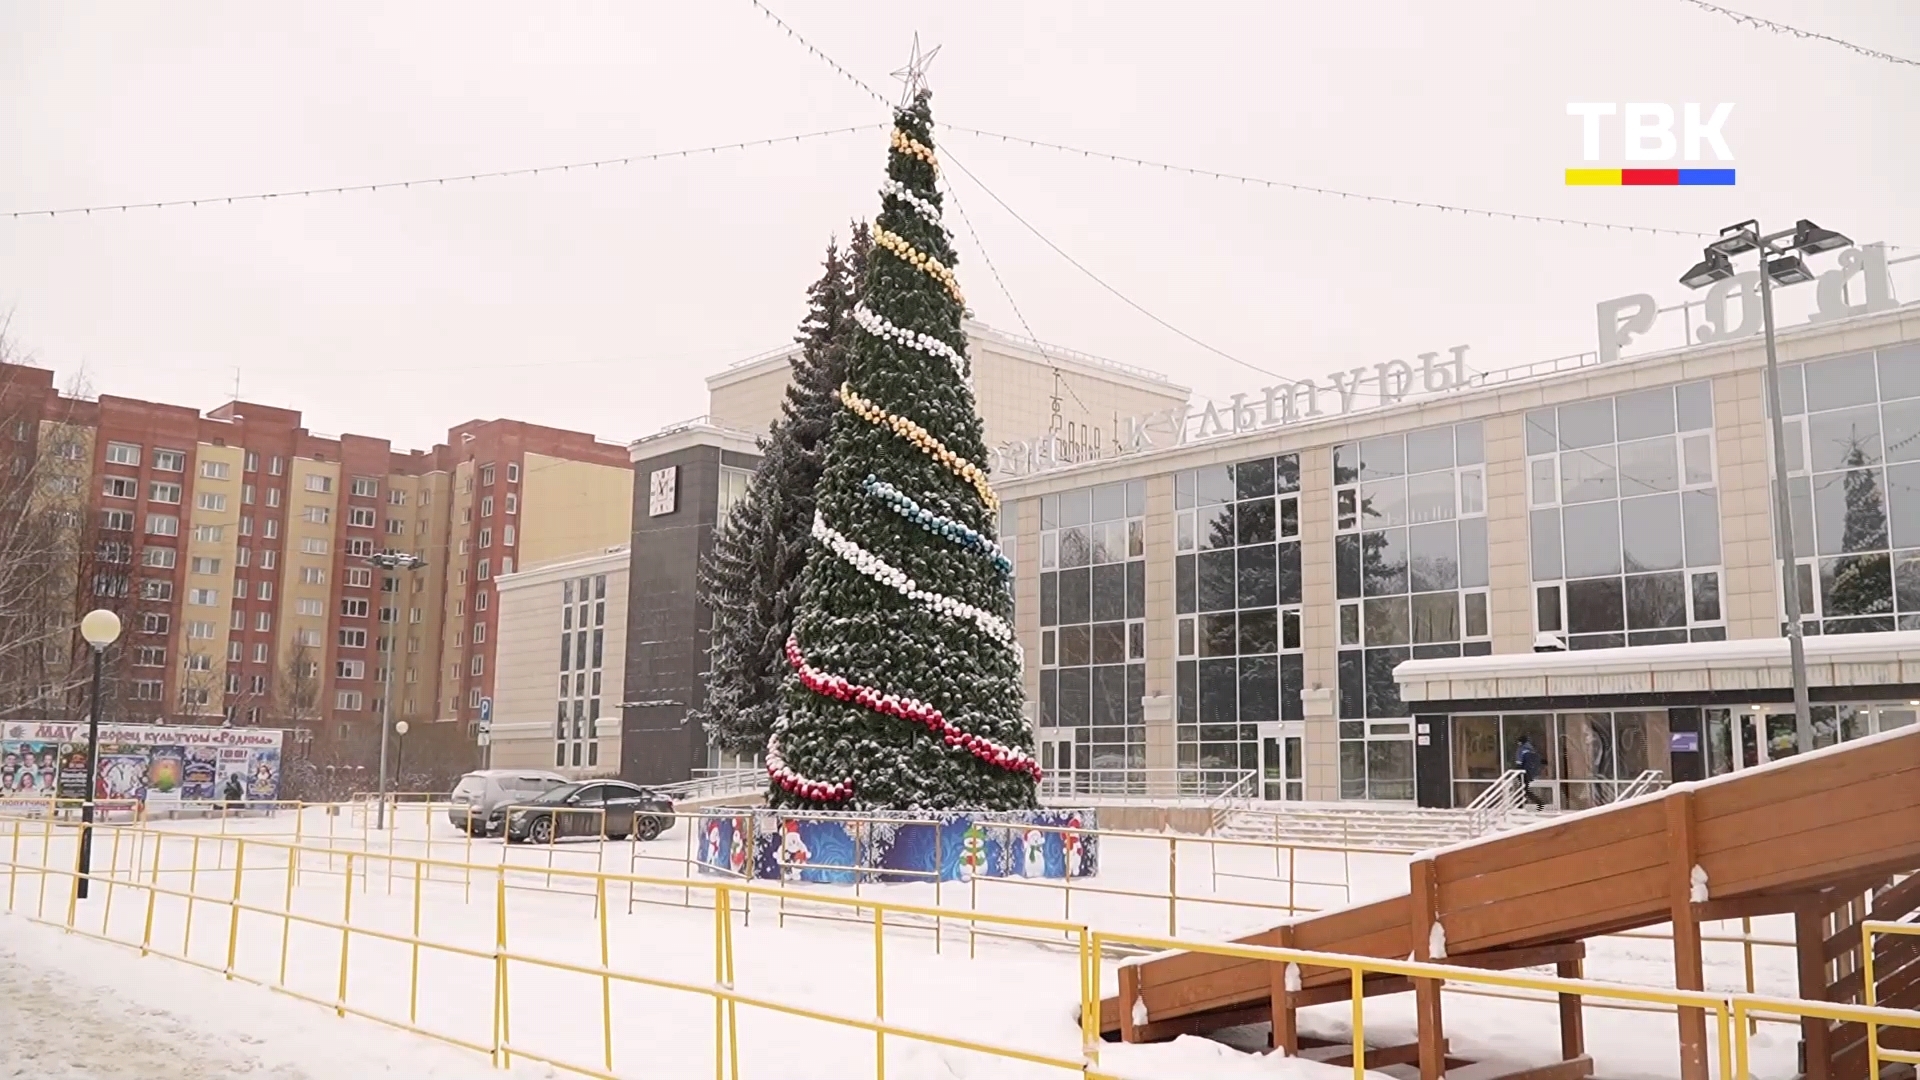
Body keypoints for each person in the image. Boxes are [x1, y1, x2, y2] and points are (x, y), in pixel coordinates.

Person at [1513, 735, 1547, 811]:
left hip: (1523, 773)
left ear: (1520, 742)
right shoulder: (1531, 749)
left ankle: (1538, 803)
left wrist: (1517, 772)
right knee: (1524, 789)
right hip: (1530, 773)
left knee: (1524, 789)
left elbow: (1519, 762)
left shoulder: (1521, 749)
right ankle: (1522, 805)